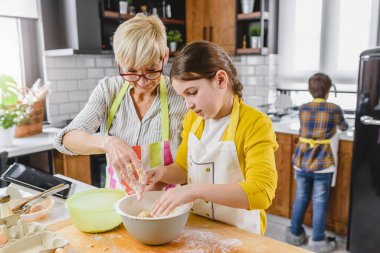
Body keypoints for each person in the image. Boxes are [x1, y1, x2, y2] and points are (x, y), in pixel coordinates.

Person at [145, 41, 278, 235]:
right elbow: (183, 168)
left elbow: (262, 192)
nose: (188, 104)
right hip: (200, 230)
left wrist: (194, 190)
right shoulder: (193, 119)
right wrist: (161, 173)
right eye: (183, 96)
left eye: (192, 93)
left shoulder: (255, 124)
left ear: (221, 80)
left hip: (241, 235)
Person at [53, 14, 187, 196]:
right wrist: (107, 142)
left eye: (151, 70)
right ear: (118, 62)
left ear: (164, 57)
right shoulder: (108, 90)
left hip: (169, 205)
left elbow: (194, 160)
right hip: (117, 205)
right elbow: (66, 139)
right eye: (131, 71)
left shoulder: (181, 94)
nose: (142, 82)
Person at [285, 73, 349, 253]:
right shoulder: (334, 109)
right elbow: (344, 127)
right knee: (320, 202)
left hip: (303, 161)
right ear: (329, 90)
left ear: (309, 90)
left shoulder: (303, 108)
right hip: (323, 163)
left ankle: (295, 234)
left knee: (300, 197)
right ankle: (318, 240)